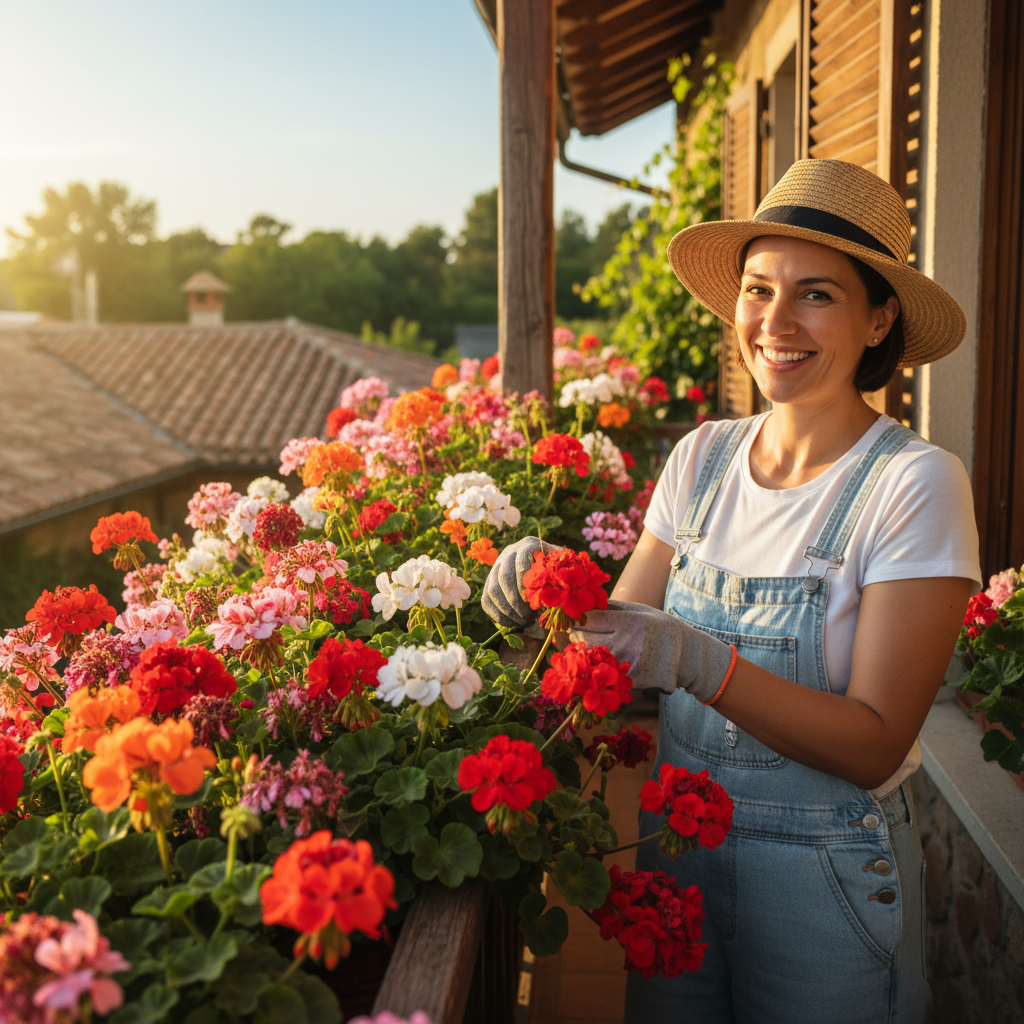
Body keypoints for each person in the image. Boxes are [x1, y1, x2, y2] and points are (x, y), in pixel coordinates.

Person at [482, 159, 981, 1024]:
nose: (775, 323)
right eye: (758, 290)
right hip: (679, 860)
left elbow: (873, 743)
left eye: (816, 295)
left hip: (824, 881)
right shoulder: (703, 457)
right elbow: (622, 639)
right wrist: (542, 593)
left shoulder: (915, 483)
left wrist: (700, 661)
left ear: (879, 319)